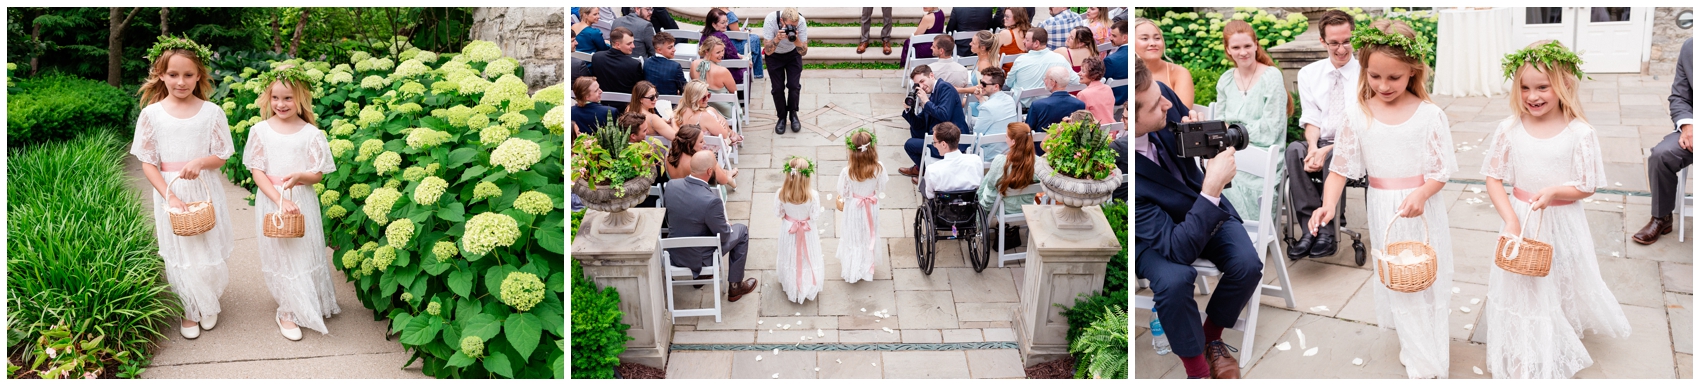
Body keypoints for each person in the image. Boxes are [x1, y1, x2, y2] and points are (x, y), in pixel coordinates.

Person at [1306, 19, 1455, 379]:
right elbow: (1340, 168)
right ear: (1364, 70)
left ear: (1412, 72)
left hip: (1420, 208)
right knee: (1399, 279)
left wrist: (1422, 193)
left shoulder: (1429, 115)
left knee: (1426, 276)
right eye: (1375, 76)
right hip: (1383, 206)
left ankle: (1429, 346)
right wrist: (1327, 205)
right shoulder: (1357, 114)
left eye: (1394, 78)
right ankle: (1416, 348)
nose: (1383, 86)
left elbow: (1442, 169)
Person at [1480, 40, 1632, 379]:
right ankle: (1524, 347)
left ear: (1564, 84)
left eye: (1542, 87)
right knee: (1523, 287)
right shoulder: (1509, 129)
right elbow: (1493, 179)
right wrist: (1510, 219)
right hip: (1522, 218)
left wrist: (1556, 191)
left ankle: (1556, 334)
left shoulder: (1579, 133)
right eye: (1524, 87)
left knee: (1560, 278)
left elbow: (1586, 185)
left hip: (1562, 219)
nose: (1532, 96)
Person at [1133, 59, 1260, 380]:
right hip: (1150, 232)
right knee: (1174, 281)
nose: (1167, 102)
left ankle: (1210, 337)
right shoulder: (1121, 168)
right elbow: (1179, 251)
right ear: (1126, 119)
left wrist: (1202, 142)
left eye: (1160, 93)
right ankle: (1198, 371)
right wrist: (1212, 186)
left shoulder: (1157, 92)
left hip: (1199, 203)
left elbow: (1186, 136)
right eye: (1154, 105)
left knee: (1248, 265)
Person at [131, 36, 235, 340]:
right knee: (181, 251)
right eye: (173, 74)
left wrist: (201, 161)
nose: (181, 81)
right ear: (160, 75)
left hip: (203, 190)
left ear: (199, 75)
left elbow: (222, 157)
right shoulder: (152, 115)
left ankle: (208, 300)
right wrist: (170, 195)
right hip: (170, 191)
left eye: (188, 75)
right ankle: (190, 307)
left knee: (206, 245)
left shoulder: (211, 112)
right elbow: (148, 163)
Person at [243, 66, 340, 340]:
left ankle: (307, 300)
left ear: (301, 99)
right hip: (274, 200)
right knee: (281, 254)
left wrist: (301, 177)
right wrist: (278, 200)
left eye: (288, 98)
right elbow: (257, 171)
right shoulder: (260, 130)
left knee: (303, 251)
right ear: (268, 98)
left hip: (301, 199)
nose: (281, 104)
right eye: (276, 98)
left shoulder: (311, 133)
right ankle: (287, 310)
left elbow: (318, 174)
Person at [1286, 10, 1358, 259]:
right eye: (1334, 43)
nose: (1341, 49)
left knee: (1332, 155)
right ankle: (1310, 226)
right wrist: (1314, 146)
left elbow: (1360, 127)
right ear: (1322, 42)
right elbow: (1312, 117)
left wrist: (1325, 151)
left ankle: (1326, 230)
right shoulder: (1309, 73)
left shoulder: (1366, 75)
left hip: (1355, 145)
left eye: (1346, 41)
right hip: (1323, 142)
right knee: (1295, 150)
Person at [1214, 19, 1289, 223]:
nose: (1243, 52)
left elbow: (1272, 128)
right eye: (1236, 47)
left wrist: (1234, 133)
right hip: (1231, 150)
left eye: (1247, 46)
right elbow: (1219, 124)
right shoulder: (1226, 79)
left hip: (1265, 151)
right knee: (1211, 174)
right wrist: (1231, 135)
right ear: (1228, 50)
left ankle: (1255, 234)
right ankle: (1227, 233)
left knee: (1232, 173)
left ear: (1256, 45)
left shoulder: (1271, 76)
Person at [666, 150, 757, 302]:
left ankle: (704, 275)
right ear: (710, 171)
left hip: (674, 253)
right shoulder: (711, 201)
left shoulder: (671, 186)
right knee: (741, 231)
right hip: (700, 257)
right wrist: (726, 225)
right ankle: (735, 287)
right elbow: (724, 236)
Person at [1638, 37, 1694, 244]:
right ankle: (1662, 217)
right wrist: (1688, 126)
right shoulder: (1691, 47)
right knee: (1661, 156)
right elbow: (1680, 97)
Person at [835, 129, 887, 283]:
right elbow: (881, 186)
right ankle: (866, 265)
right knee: (868, 235)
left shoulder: (847, 171)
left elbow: (843, 192)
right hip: (871, 207)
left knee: (853, 237)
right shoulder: (879, 168)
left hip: (854, 208)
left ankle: (853, 267)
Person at [899, 65, 970, 178]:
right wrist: (909, 111)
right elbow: (919, 123)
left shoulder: (945, 88)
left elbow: (944, 115)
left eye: (922, 81)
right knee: (915, 129)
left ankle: (927, 173)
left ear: (931, 75)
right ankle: (922, 169)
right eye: (918, 84)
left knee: (910, 145)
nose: (921, 86)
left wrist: (926, 101)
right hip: (940, 137)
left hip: (953, 142)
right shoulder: (932, 94)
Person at [980, 122, 1039, 250]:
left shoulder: (1001, 162)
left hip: (1004, 211)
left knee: (988, 182)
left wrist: (981, 213)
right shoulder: (1038, 163)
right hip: (1027, 210)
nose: (1005, 138)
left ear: (1012, 142)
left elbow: (990, 194)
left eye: (1006, 136)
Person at [775, 156, 826, 303]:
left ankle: (792, 283)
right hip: (807, 230)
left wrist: (789, 216)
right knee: (807, 254)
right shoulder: (813, 195)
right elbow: (814, 216)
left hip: (789, 230)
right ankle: (807, 282)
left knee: (791, 254)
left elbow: (778, 213)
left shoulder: (781, 193)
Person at [763, 8, 810, 135]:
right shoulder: (770, 20)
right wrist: (777, 38)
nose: (792, 28)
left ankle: (793, 114)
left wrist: (796, 39)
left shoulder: (801, 22)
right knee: (777, 88)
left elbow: (804, 52)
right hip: (774, 56)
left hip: (793, 54)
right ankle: (781, 117)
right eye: (789, 25)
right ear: (781, 20)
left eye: (794, 26)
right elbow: (767, 51)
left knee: (794, 86)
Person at [1007, 28, 1079, 108]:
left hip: (1022, 107)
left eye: (1027, 40)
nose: (1023, 41)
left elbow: (1009, 83)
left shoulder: (1020, 60)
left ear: (1036, 43)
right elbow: (1076, 81)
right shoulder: (1059, 59)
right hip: (1049, 105)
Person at [1135, 18, 1195, 109]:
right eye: (1144, 38)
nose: (1153, 43)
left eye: (1157, 38)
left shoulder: (1179, 73)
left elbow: (1183, 114)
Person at [921, 123, 984, 198]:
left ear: (944, 144)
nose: (934, 145)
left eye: (935, 142)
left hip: (943, 205)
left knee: (922, 184)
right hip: (969, 205)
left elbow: (930, 196)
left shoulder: (932, 170)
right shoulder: (976, 160)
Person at [664, 124, 738, 188]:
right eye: (701, 141)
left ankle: (727, 173)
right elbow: (723, 181)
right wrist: (711, 159)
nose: (704, 143)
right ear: (689, 145)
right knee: (710, 159)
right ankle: (728, 177)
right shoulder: (696, 163)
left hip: (679, 195)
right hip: (703, 197)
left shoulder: (668, 157)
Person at [971, 67, 1021, 160]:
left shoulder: (988, 107)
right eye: (981, 82)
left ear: (996, 87)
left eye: (984, 84)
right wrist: (981, 99)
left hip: (990, 153)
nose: (981, 86)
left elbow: (977, 132)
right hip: (1009, 149)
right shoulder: (1009, 99)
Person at [673, 81, 742, 147]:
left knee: (711, 110)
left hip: (689, 149)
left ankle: (733, 133)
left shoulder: (681, 111)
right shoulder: (703, 116)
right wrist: (723, 127)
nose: (707, 99)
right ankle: (733, 134)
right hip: (707, 151)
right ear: (694, 98)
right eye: (703, 97)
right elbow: (724, 135)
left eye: (708, 95)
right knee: (712, 111)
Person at [689, 38, 742, 125]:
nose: (721, 54)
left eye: (722, 51)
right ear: (706, 51)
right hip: (724, 111)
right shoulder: (722, 71)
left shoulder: (694, 64)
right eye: (718, 52)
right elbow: (734, 91)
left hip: (700, 108)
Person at [591, 27, 643, 111]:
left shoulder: (596, 57)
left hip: (602, 105)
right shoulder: (634, 64)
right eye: (629, 43)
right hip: (626, 108)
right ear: (617, 44)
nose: (633, 46)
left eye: (633, 42)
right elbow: (639, 89)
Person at [1025, 67, 1086, 133]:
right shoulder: (1079, 104)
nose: (1044, 81)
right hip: (1070, 142)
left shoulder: (1037, 105)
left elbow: (1027, 130)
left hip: (1043, 143)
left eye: (1046, 78)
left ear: (1053, 82)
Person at [701, 8, 746, 85]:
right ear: (714, 24)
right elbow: (735, 61)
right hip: (725, 74)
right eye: (723, 22)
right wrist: (746, 63)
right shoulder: (722, 37)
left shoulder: (703, 36)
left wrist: (740, 56)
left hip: (707, 74)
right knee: (746, 70)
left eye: (726, 21)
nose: (726, 24)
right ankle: (742, 95)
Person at [722, 8, 764, 79]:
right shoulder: (729, 15)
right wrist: (745, 32)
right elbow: (739, 37)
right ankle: (757, 73)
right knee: (756, 39)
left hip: (726, 41)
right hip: (733, 44)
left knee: (753, 38)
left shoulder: (716, 13)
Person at [644, 32, 687, 96]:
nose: (674, 50)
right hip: (670, 103)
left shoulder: (646, 62)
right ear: (659, 50)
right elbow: (684, 88)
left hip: (650, 101)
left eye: (673, 46)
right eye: (670, 47)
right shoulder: (675, 66)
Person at [1075, 57, 1117, 124]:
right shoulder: (1108, 88)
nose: (1079, 73)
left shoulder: (1083, 94)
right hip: (1112, 129)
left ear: (1093, 75)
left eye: (1083, 71)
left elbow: (1080, 119)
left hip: (1096, 132)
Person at [996, 8, 1033, 72]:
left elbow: (991, 53)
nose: (1004, 18)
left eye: (1007, 17)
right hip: (1024, 73)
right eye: (1004, 16)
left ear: (1017, 18)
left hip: (1005, 75)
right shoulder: (1030, 32)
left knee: (980, 66)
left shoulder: (1005, 34)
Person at [1105, 19, 1130, 105]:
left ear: (1125, 38)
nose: (1110, 38)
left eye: (1114, 36)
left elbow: (1101, 82)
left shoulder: (1110, 60)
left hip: (1117, 98)